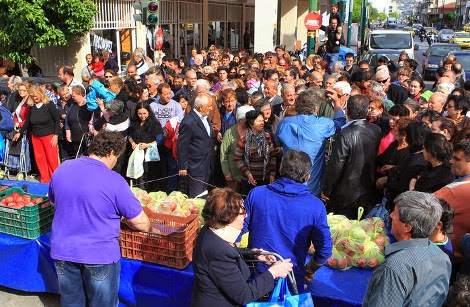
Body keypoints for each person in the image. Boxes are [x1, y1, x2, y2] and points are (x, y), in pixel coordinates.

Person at [49, 130, 152, 307]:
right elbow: (141, 222)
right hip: (98, 255)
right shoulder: (115, 181)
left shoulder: (63, 168)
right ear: (111, 153)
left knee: (71, 302)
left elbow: (53, 202)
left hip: (63, 250)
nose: (115, 162)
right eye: (116, 158)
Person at [241, 150, 332, 290]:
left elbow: (236, 231)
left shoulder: (256, 194)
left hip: (255, 279)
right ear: (308, 177)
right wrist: (310, 269)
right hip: (290, 282)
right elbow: (324, 250)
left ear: (280, 169)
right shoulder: (315, 206)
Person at [191, 188, 293, 307]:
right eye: (242, 212)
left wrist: (254, 254)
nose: (246, 215)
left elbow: (229, 252)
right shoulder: (218, 251)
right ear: (229, 217)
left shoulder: (211, 230)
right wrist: (274, 272)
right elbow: (244, 295)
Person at [363, 191, 451, 306]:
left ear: (407, 227)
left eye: (395, 213)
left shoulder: (394, 268)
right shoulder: (442, 257)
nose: (391, 216)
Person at [277, 88, 346, 196]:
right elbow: (341, 122)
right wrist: (336, 102)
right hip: (311, 187)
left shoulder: (284, 123)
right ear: (316, 108)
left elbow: (277, 142)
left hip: (288, 185)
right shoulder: (323, 125)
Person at [322, 94, 382, 218]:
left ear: (347, 111)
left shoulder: (345, 134)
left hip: (344, 194)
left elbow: (336, 165)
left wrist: (326, 190)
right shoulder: (376, 130)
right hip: (365, 191)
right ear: (367, 111)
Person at [13, 85, 60, 183]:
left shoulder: (49, 104)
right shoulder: (32, 107)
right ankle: (45, 179)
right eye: (32, 96)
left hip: (49, 136)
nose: (34, 98)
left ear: (40, 93)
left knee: (52, 159)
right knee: (40, 159)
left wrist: (56, 135)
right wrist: (19, 132)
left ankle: (55, 179)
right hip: (36, 136)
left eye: (36, 96)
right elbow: (27, 122)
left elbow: (57, 120)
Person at [435, 141, 470, 273]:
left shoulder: (456, 190)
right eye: (452, 157)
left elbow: (420, 206)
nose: (451, 161)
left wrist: (412, 186)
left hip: (448, 257)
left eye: (457, 159)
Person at [178, 94, 213, 198]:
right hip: (195, 166)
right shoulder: (188, 121)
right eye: (209, 106)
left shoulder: (206, 118)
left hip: (207, 164)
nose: (211, 108)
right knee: (196, 197)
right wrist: (183, 166)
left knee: (204, 195)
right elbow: (182, 145)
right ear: (201, 107)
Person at [234, 110, 276, 196]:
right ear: (251, 123)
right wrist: (248, 174)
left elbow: (272, 156)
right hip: (249, 180)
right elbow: (237, 159)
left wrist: (272, 174)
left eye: (262, 120)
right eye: (259, 121)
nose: (262, 123)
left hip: (265, 178)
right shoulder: (244, 140)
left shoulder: (267, 137)